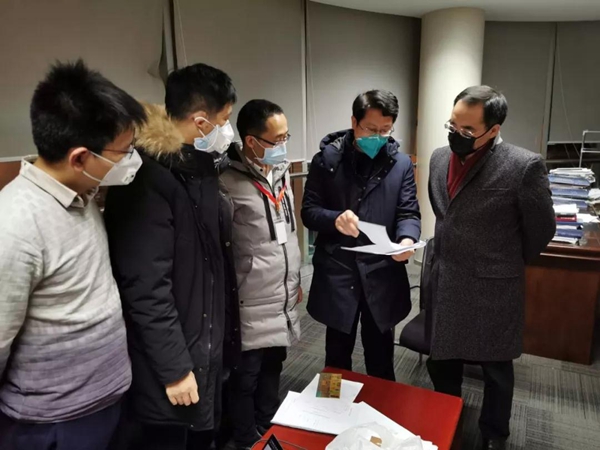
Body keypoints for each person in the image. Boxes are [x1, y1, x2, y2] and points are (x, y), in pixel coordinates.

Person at [0, 60, 146, 450]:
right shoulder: (14, 224)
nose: (130, 160)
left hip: (106, 400)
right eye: (124, 152)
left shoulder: (83, 194)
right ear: (80, 158)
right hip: (53, 423)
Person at [103, 63, 240, 450]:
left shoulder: (199, 167)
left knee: (202, 435)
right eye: (224, 120)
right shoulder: (147, 180)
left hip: (203, 340)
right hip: (173, 359)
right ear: (200, 121)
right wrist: (176, 369)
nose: (226, 130)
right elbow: (146, 288)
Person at [426, 86, 555, 450]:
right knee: (442, 360)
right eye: (453, 125)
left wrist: (505, 261)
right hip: (447, 279)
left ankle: (494, 434)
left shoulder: (523, 166)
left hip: (493, 285)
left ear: (493, 129)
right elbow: (445, 214)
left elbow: (542, 228)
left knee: (495, 368)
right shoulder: (439, 157)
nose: (457, 135)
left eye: (468, 130)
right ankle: (446, 421)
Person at [302, 90, 421, 381]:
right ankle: (330, 406)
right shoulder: (326, 161)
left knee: (381, 357)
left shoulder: (400, 164)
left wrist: (406, 239)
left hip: (381, 272)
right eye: (370, 129)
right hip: (339, 271)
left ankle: (381, 406)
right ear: (354, 122)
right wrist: (334, 219)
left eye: (385, 130)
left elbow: (408, 212)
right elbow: (309, 212)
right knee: (336, 358)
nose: (377, 137)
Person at [220, 100, 302, 449]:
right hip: (249, 297)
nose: (283, 145)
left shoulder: (280, 171)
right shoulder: (226, 181)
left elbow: (288, 235)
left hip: (281, 292)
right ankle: (244, 438)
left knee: (274, 364)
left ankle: (267, 425)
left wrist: (294, 281)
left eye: (286, 136)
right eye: (276, 139)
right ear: (251, 142)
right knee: (245, 376)